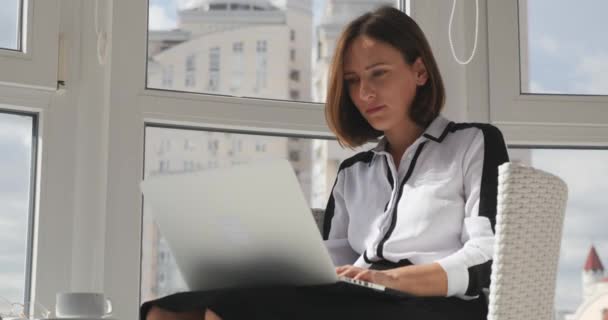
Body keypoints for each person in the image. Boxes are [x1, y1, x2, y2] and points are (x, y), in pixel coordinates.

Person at [142, 6, 508, 320]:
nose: (365, 93)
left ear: (419, 72)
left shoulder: (473, 142)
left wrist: (390, 279)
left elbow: (487, 255)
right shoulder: (352, 174)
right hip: (357, 299)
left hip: (438, 306)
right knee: (167, 309)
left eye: (378, 73)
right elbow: (332, 260)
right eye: (352, 81)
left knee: (237, 307)